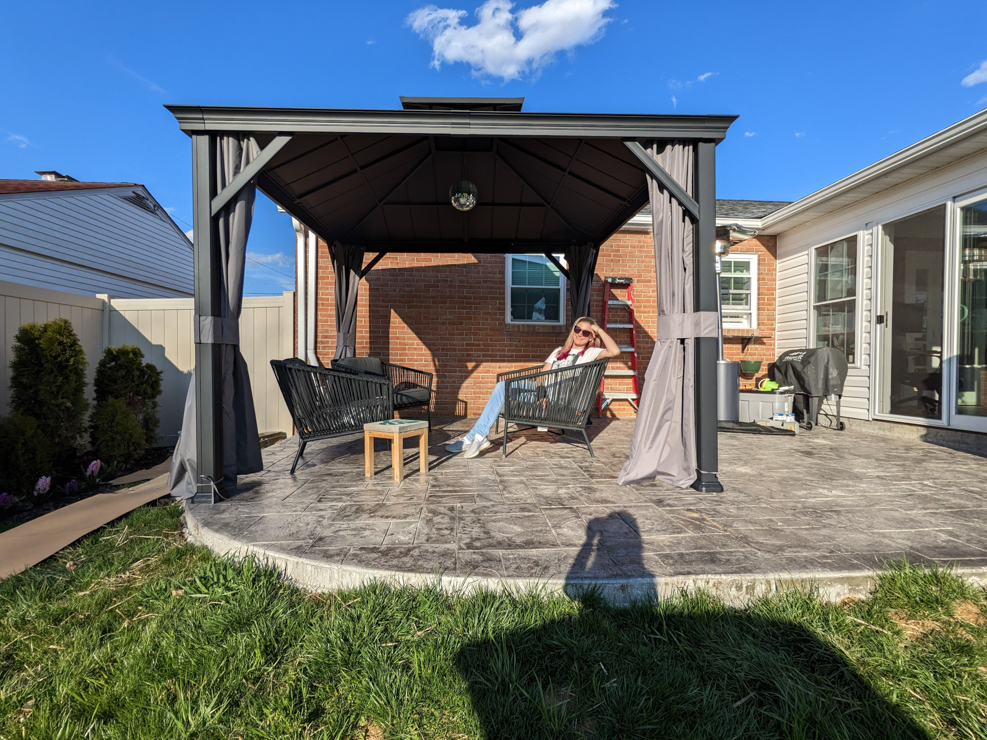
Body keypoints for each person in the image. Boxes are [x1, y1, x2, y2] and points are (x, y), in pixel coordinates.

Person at [446, 316, 621, 458]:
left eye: (585, 332)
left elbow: (615, 351)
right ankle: (477, 436)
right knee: (503, 387)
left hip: (557, 402)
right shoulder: (559, 351)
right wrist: (540, 396)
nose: (580, 334)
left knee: (503, 390)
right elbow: (541, 377)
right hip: (543, 396)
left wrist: (597, 328)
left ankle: (474, 438)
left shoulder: (591, 353)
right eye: (577, 329)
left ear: (591, 337)